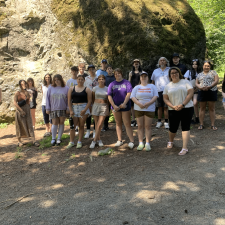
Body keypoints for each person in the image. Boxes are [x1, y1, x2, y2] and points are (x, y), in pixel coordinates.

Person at [163, 67, 194, 155]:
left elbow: (190, 93)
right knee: (172, 128)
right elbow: (165, 99)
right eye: (172, 73)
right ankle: (171, 141)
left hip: (187, 108)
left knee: (185, 127)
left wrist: (182, 104)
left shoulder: (185, 82)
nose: (174, 74)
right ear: (170, 75)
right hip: (173, 109)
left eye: (176, 72)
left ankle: (184, 148)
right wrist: (172, 106)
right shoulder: (168, 86)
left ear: (179, 73)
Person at [131, 72, 158, 151]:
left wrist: (149, 103)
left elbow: (155, 96)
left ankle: (147, 143)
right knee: (140, 126)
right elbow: (132, 96)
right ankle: (140, 143)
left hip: (149, 109)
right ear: (140, 78)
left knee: (148, 126)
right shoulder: (137, 87)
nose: (143, 78)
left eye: (145, 76)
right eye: (142, 76)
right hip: (139, 109)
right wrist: (139, 103)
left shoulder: (152, 86)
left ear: (148, 78)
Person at [108, 68, 134, 149]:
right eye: (115, 74)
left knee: (127, 124)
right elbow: (109, 95)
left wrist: (124, 103)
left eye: (118, 73)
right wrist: (113, 105)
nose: (117, 75)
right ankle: (120, 140)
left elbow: (129, 93)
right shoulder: (112, 84)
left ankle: (131, 141)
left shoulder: (127, 82)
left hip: (125, 106)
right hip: (115, 107)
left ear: (121, 74)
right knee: (118, 123)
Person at [66, 75, 92, 149]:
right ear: (77, 80)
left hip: (83, 108)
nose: (80, 81)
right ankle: (71, 142)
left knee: (81, 125)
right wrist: (70, 110)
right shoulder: (71, 89)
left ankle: (79, 141)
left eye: (81, 79)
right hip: (74, 108)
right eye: (79, 79)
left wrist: (84, 110)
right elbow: (69, 100)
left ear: (84, 80)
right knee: (72, 126)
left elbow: (89, 101)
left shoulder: (87, 89)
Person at [14, 80, 39, 147]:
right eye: (22, 84)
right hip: (19, 110)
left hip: (27, 110)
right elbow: (14, 103)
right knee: (19, 125)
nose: (24, 85)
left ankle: (34, 141)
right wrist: (21, 110)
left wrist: (28, 109)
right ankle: (19, 141)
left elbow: (28, 101)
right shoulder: (17, 93)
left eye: (24, 83)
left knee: (30, 124)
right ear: (20, 85)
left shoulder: (27, 92)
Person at [46, 74, 69, 146]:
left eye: (58, 80)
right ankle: (53, 138)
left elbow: (69, 99)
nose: (56, 81)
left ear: (61, 80)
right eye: (55, 80)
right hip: (53, 108)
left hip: (62, 108)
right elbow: (47, 99)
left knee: (61, 122)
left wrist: (68, 108)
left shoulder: (66, 88)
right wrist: (48, 108)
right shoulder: (50, 88)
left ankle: (59, 138)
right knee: (54, 122)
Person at [195, 61, 219, 131]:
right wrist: (200, 87)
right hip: (202, 92)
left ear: (210, 66)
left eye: (208, 66)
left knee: (212, 109)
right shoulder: (199, 74)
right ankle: (201, 124)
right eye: (205, 66)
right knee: (202, 108)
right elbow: (196, 83)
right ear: (203, 66)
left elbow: (216, 80)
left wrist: (210, 86)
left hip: (212, 91)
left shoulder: (213, 72)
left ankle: (213, 125)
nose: (206, 67)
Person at [90, 75, 109, 148]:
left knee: (100, 123)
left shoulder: (107, 88)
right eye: (100, 79)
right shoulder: (95, 88)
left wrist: (108, 108)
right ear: (98, 81)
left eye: (102, 79)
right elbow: (92, 98)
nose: (101, 80)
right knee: (96, 123)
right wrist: (93, 106)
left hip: (104, 106)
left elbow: (108, 100)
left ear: (104, 80)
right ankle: (99, 139)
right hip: (96, 106)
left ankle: (94, 140)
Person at [151, 57, 170, 129]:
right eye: (160, 61)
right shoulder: (155, 71)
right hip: (158, 91)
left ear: (166, 62)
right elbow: (152, 81)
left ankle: (166, 122)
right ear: (159, 63)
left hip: (167, 91)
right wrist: (153, 90)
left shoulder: (169, 70)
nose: (162, 62)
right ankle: (159, 122)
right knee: (159, 107)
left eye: (163, 60)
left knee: (166, 107)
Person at [184, 59, 201, 124]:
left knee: (195, 103)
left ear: (198, 65)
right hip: (190, 89)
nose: (194, 65)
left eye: (196, 64)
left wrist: (197, 87)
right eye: (193, 64)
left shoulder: (200, 72)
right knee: (190, 104)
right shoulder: (188, 71)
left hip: (197, 89)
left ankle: (197, 117)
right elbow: (185, 80)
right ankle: (190, 118)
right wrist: (190, 87)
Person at [84, 64, 98, 138]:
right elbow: (84, 88)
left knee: (95, 115)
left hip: (96, 99)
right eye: (90, 69)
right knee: (88, 115)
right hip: (88, 99)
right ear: (88, 71)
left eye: (93, 69)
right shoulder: (86, 78)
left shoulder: (98, 78)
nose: (91, 71)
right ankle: (88, 131)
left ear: (95, 69)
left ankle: (95, 131)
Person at [128, 59, 142, 127]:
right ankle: (133, 120)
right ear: (133, 64)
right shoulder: (131, 72)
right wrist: (130, 77)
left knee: (139, 105)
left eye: (137, 63)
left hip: (140, 90)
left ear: (139, 64)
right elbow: (129, 82)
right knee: (132, 106)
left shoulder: (142, 72)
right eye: (135, 63)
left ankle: (138, 119)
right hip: (132, 90)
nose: (136, 64)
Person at [102, 64, 115, 131]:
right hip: (107, 96)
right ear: (106, 70)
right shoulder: (105, 78)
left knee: (116, 111)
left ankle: (119, 125)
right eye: (108, 69)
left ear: (112, 69)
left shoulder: (115, 77)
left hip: (115, 96)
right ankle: (105, 126)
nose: (109, 70)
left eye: (110, 68)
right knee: (106, 111)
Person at [66, 66, 79, 134]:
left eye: (75, 71)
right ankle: (72, 128)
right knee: (72, 114)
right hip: (71, 99)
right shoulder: (69, 81)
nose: (74, 73)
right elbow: (67, 90)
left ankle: (77, 128)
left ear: (77, 72)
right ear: (71, 72)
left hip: (78, 99)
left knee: (78, 113)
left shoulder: (79, 80)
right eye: (73, 71)